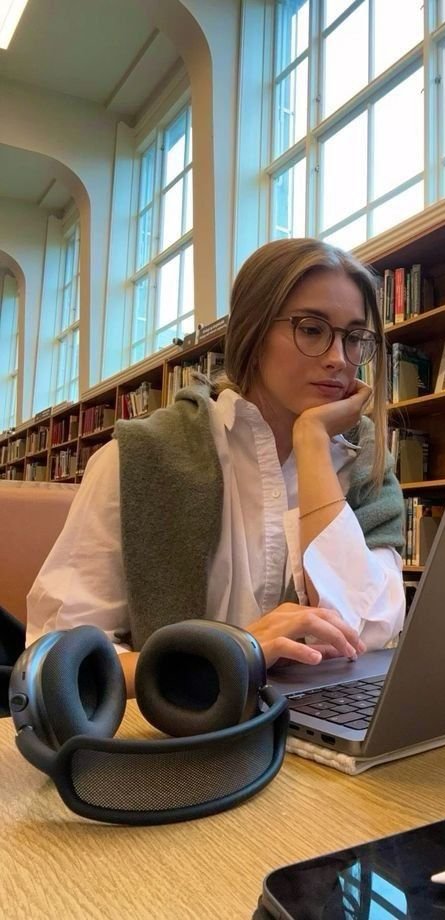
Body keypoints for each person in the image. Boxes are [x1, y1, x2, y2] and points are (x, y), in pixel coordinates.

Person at [26, 238, 406, 696]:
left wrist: (311, 442)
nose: (338, 359)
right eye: (311, 329)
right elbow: (53, 665)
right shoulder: (141, 456)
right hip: (173, 739)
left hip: (315, 732)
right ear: (252, 330)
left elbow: (366, 635)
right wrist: (232, 651)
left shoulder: (364, 466)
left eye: (355, 338)